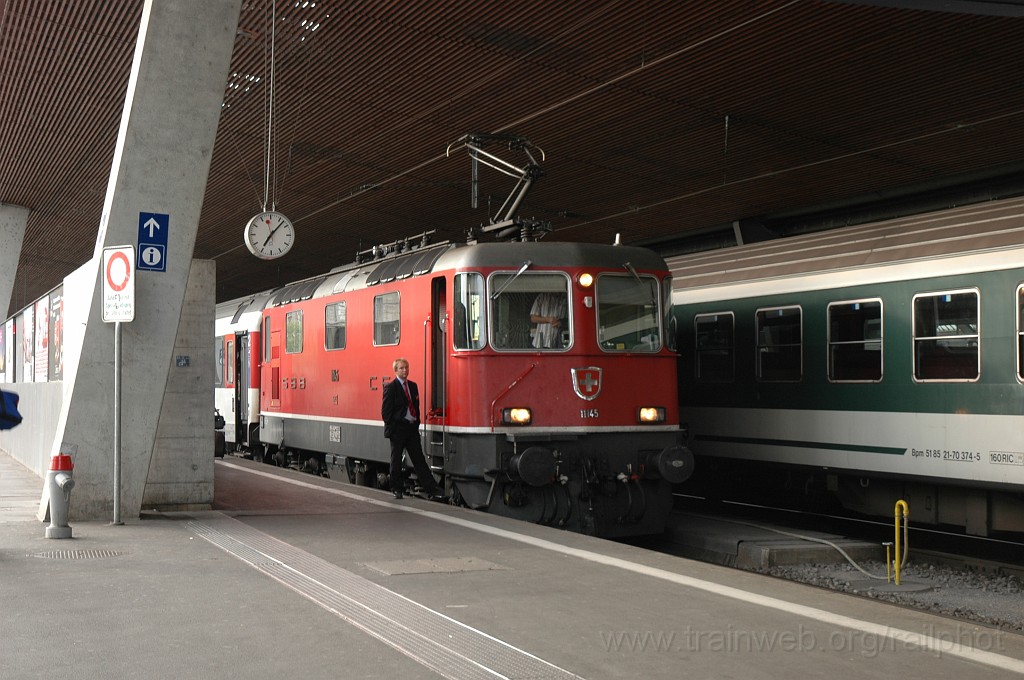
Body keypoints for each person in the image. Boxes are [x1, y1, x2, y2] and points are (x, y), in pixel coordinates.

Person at [381, 357, 442, 499]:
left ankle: (431, 489)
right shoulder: (391, 388)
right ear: (396, 371)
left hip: (411, 429)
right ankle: (397, 488)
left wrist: (416, 422)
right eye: (401, 368)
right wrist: (395, 426)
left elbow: (416, 407)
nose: (404, 370)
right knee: (396, 459)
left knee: (419, 459)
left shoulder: (413, 386)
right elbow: (385, 412)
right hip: (398, 429)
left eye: (406, 368)